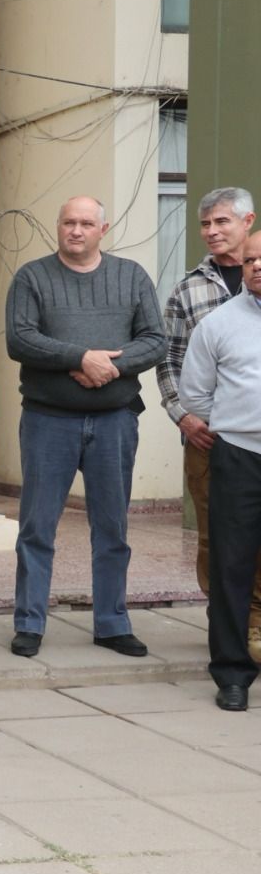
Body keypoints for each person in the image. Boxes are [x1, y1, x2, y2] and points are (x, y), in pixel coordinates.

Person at [4, 197, 166, 658]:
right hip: (47, 420)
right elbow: (20, 338)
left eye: (86, 223)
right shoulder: (32, 277)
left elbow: (155, 340)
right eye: (68, 222)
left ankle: (112, 623)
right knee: (37, 526)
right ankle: (29, 622)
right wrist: (79, 358)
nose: (76, 230)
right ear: (58, 226)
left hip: (115, 420)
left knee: (112, 528)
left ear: (103, 229)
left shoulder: (131, 276)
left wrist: (109, 367)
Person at [157, 187, 261, 661]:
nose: (212, 232)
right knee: (217, 539)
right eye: (205, 224)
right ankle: (227, 628)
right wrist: (185, 417)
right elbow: (169, 361)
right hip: (207, 438)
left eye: (221, 221)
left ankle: (254, 624)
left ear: (247, 222)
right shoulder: (188, 289)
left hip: (245, 435)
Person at [179, 229, 261, 711]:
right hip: (239, 457)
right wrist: (237, 423)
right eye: (250, 260)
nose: (256, 266)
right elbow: (195, 392)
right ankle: (232, 673)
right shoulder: (219, 323)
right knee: (231, 565)